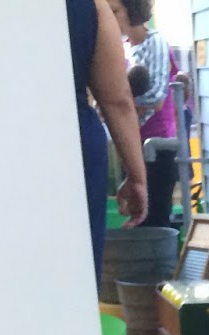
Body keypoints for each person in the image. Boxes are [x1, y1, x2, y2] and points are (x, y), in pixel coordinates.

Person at [64, 0, 147, 284]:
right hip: (72, 141)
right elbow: (117, 99)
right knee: (77, 275)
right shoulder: (91, 5)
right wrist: (137, 177)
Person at [109, 0, 179, 230]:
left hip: (157, 143)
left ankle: (159, 266)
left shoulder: (155, 42)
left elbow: (156, 98)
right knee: (140, 218)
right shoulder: (127, 47)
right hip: (136, 140)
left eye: (115, 11)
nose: (110, 17)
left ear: (133, 9)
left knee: (156, 218)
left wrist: (125, 107)